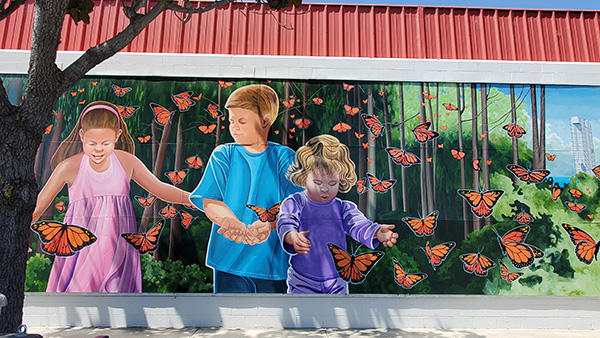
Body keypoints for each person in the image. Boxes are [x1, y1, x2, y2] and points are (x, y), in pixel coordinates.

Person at [32, 101, 191, 293]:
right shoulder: (69, 167)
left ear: (117, 136)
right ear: (82, 136)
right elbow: (38, 206)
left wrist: (197, 199)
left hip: (118, 249)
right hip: (82, 249)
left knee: (119, 295)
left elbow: (160, 189)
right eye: (92, 143)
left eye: (105, 143)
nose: (98, 149)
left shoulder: (126, 162)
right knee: (78, 292)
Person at [189, 84, 303, 293]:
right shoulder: (223, 155)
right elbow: (210, 200)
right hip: (228, 260)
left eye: (242, 121)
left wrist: (269, 227)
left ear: (265, 121)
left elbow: (296, 208)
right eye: (231, 121)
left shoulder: (284, 158)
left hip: (272, 262)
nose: (234, 127)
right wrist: (229, 221)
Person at [277, 134, 398, 294]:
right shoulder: (295, 203)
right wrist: (291, 236)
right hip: (302, 281)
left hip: (337, 282)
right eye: (318, 182)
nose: (325, 188)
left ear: (341, 179)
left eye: (332, 183)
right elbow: (286, 220)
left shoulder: (343, 208)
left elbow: (359, 225)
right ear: (303, 176)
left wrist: (376, 232)